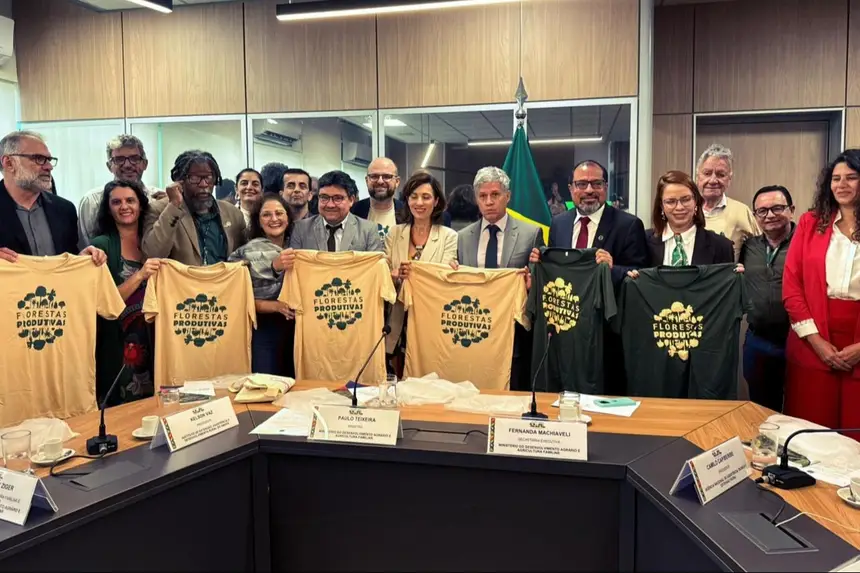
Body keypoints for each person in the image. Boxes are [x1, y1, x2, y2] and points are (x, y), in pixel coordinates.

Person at [783, 149, 860, 430]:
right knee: (813, 430)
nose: (842, 184)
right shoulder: (810, 223)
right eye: (836, 178)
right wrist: (816, 342)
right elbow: (792, 286)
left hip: (858, 339)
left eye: (851, 177)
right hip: (812, 340)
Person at [457, 166, 542, 390]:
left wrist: (531, 283)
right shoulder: (462, 237)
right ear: (476, 199)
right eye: (483, 196)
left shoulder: (531, 234)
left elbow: (539, 283)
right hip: (474, 329)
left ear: (508, 196)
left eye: (495, 194)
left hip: (513, 335)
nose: (489, 202)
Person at [90, 180, 161, 406]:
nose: (124, 206)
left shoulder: (156, 241)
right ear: (108, 208)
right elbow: (104, 304)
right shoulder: (101, 246)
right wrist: (140, 275)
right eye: (116, 202)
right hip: (120, 347)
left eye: (130, 200)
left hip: (157, 342)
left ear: (141, 205)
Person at [384, 172, 458, 371]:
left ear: (436, 201)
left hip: (431, 319)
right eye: (414, 196)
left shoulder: (449, 236)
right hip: (397, 318)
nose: (419, 202)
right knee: (396, 374)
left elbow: (444, 279)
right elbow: (383, 275)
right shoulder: (394, 233)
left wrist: (419, 274)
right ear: (407, 200)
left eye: (426, 197)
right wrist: (394, 276)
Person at [0, 131, 106, 265]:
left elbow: (68, 259)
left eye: (49, 160)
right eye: (39, 158)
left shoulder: (64, 210)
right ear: (9, 163)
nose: (49, 167)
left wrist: (82, 259)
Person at [535, 160, 648, 285]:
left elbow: (641, 275)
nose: (589, 190)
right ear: (571, 189)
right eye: (581, 184)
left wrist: (611, 269)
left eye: (597, 184)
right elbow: (554, 267)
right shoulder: (558, 223)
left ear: (606, 187)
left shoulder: (628, 225)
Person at [740, 185, 795, 413]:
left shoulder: (806, 243)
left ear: (791, 210)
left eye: (777, 208)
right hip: (758, 339)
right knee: (762, 410)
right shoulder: (749, 246)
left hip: (797, 340)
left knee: (799, 407)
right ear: (755, 216)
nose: (769, 215)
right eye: (762, 211)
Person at [229, 193, 296, 376]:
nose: (274, 219)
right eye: (266, 214)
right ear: (258, 221)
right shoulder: (246, 252)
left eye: (279, 213)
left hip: (296, 330)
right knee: (267, 384)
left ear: (288, 218)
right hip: (263, 330)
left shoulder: (298, 248)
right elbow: (236, 298)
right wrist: (274, 306)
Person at [141, 150, 246, 266]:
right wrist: (174, 205)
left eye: (209, 177)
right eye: (195, 178)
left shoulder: (233, 213)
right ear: (179, 181)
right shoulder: (160, 210)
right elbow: (151, 256)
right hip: (182, 278)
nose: (203, 184)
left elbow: (242, 259)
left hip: (225, 277)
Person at [78, 134, 164, 245]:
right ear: (109, 166)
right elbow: (87, 246)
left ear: (145, 164)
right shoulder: (92, 201)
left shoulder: (160, 199)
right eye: (119, 159)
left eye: (134, 159)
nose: (127, 165)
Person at [643, 170, 734, 267]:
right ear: (661, 206)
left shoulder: (721, 246)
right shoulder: (643, 241)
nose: (679, 207)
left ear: (696, 202)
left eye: (686, 200)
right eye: (671, 201)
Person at [290, 170, 384, 252]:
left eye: (338, 198)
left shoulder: (368, 230)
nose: (330, 205)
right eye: (324, 198)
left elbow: (374, 265)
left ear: (351, 200)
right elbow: (295, 264)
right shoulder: (301, 229)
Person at [695, 143, 760, 259]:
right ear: (697, 176)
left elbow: (760, 250)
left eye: (721, 175)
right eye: (707, 173)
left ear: (729, 179)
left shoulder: (741, 211)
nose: (713, 180)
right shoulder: (685, 210)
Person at [352, 157, 404, 240]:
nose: (380, 181)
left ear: (397, 182)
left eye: (387, 176)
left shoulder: (408, 213)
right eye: (374, 176)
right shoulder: (353, 212)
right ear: (367, 181)